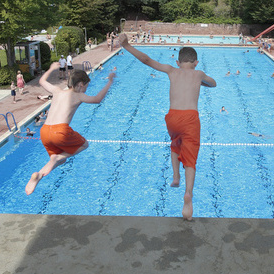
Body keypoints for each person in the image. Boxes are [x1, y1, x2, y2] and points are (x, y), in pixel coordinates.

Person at [119, 33, 216, 220]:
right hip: (190, 118)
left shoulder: (172, 70)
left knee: (175, 142)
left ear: (178, 62)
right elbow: (213, 84)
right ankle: (188, 193)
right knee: (191, 158)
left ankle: (175, 177)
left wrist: (127, 45)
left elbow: (146, 60)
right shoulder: (199, 74)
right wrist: (201, 82)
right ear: (196, 62)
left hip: (172, 118)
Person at [25, 62, 115, 195]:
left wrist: (51, 68)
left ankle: (39, 175)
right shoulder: (78, 95)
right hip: (60, 131)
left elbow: (42, 81)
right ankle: (54, 160)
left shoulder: (57, 91)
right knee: (84, 145)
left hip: (44, 132)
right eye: (86, 87)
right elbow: (97, 99)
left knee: (59, 160)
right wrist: (110, 82)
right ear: (80, 85)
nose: (85, 90)